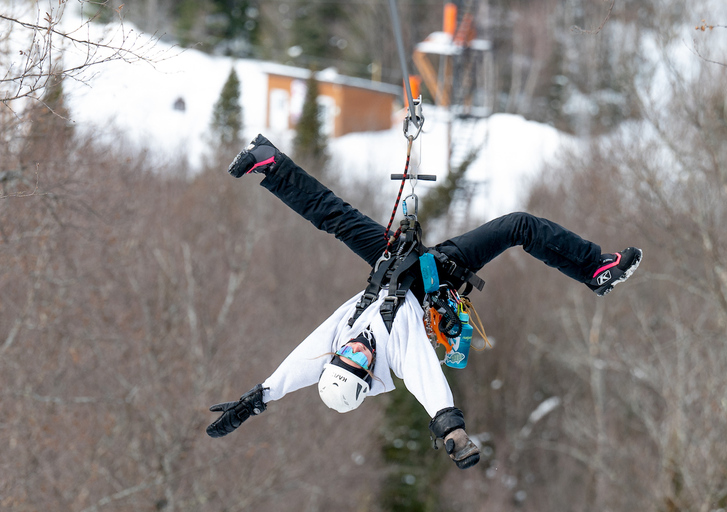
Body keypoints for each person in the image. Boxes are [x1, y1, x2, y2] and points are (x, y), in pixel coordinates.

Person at [206, 134, 642, 470]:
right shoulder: (397, 353)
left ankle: (268, 162)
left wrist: (253, 402)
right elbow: (430, 389)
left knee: (333, 216)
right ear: (367, 374)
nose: (357, 349)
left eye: (345, 355)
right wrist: (454, 435)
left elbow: (290, 373)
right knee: (518, 225)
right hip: (433, 275)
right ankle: (595, 271)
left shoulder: (333, 345)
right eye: (359, 362)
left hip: (390, 261)